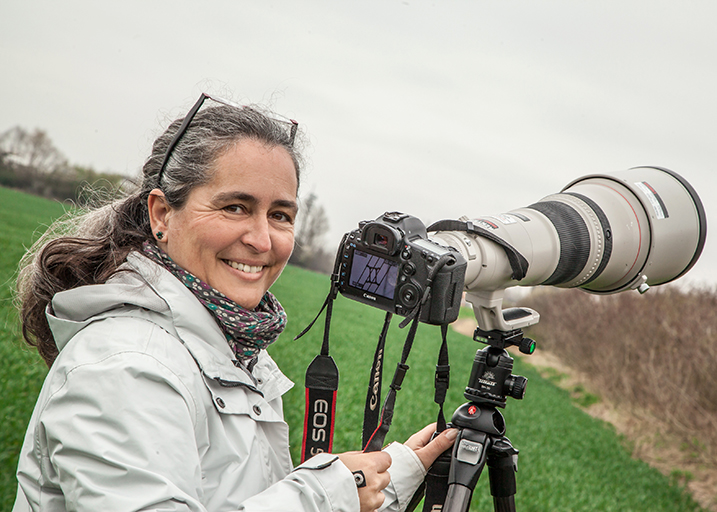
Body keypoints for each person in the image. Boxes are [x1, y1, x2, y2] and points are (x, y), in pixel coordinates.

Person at [13, 93, 457, 512]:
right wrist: (330, 495)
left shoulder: (230, 345)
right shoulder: (125, 366)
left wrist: (393, 476)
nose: (262, 240)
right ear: (162, 214)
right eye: (235, 208)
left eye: (280, 215)